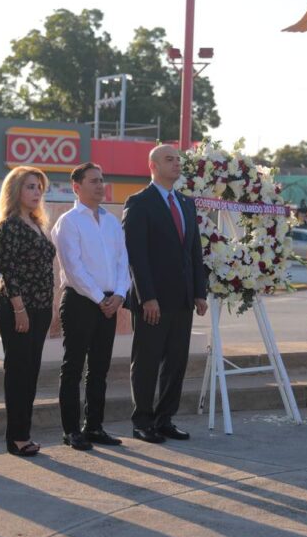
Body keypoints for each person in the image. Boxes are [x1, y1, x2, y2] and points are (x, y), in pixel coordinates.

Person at [123, 144, 208, 443]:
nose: (176, 164)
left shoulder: (186, 203)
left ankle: (165, 419)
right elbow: (136, 256)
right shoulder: (139, 203)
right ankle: (142, 421)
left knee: (176, 362)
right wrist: (147, 296)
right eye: (169, 159)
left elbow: (194, 251)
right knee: (146, 362)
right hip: (153, 301)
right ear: (153, 166)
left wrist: (200, 291)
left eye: (177, 159)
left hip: (182, 299)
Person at [50, 162, 131, 451]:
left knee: (99, 368)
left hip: (110, 301)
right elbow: (73, 268)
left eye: (102, 180)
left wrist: (119, 295)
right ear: (77, 186)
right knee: (73, 367)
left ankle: (94, 426)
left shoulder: (111, 221)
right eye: (94, 181)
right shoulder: (68, 221)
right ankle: (71, 430)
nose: (100, 185)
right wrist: (100, 299)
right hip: (81, 302)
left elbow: (123, 261)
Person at [0, 166, 56, 456]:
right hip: (18, 308)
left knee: (30, 373)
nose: (36, 192)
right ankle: (16, 438)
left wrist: (49, 306)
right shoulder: (9, 225)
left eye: (39, 187)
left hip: (40, 309)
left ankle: (24, 433)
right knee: (18, 373)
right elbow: (9, 270)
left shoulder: (37, 223)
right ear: (16, 190)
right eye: (30, 186)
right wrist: (19, 309)